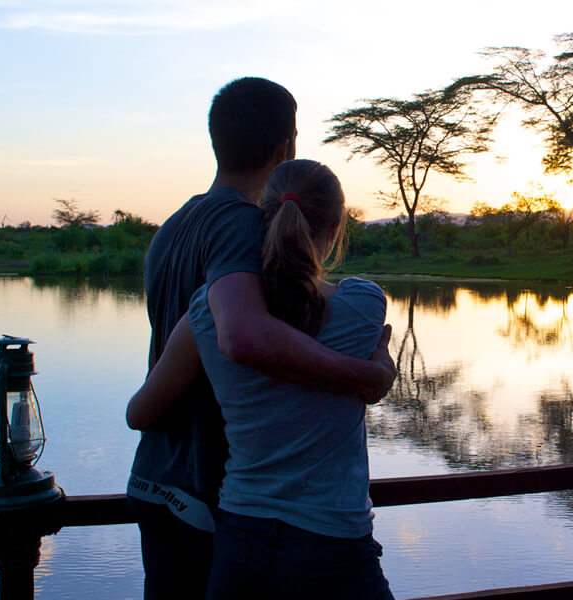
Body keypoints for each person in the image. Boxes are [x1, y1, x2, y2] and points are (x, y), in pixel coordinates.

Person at [128, 77, 395, 599]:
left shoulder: (173, 227)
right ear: (287, 147)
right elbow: (245, 337)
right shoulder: (241, 225)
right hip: (211, 489)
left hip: (158, 476)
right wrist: (368, 377)